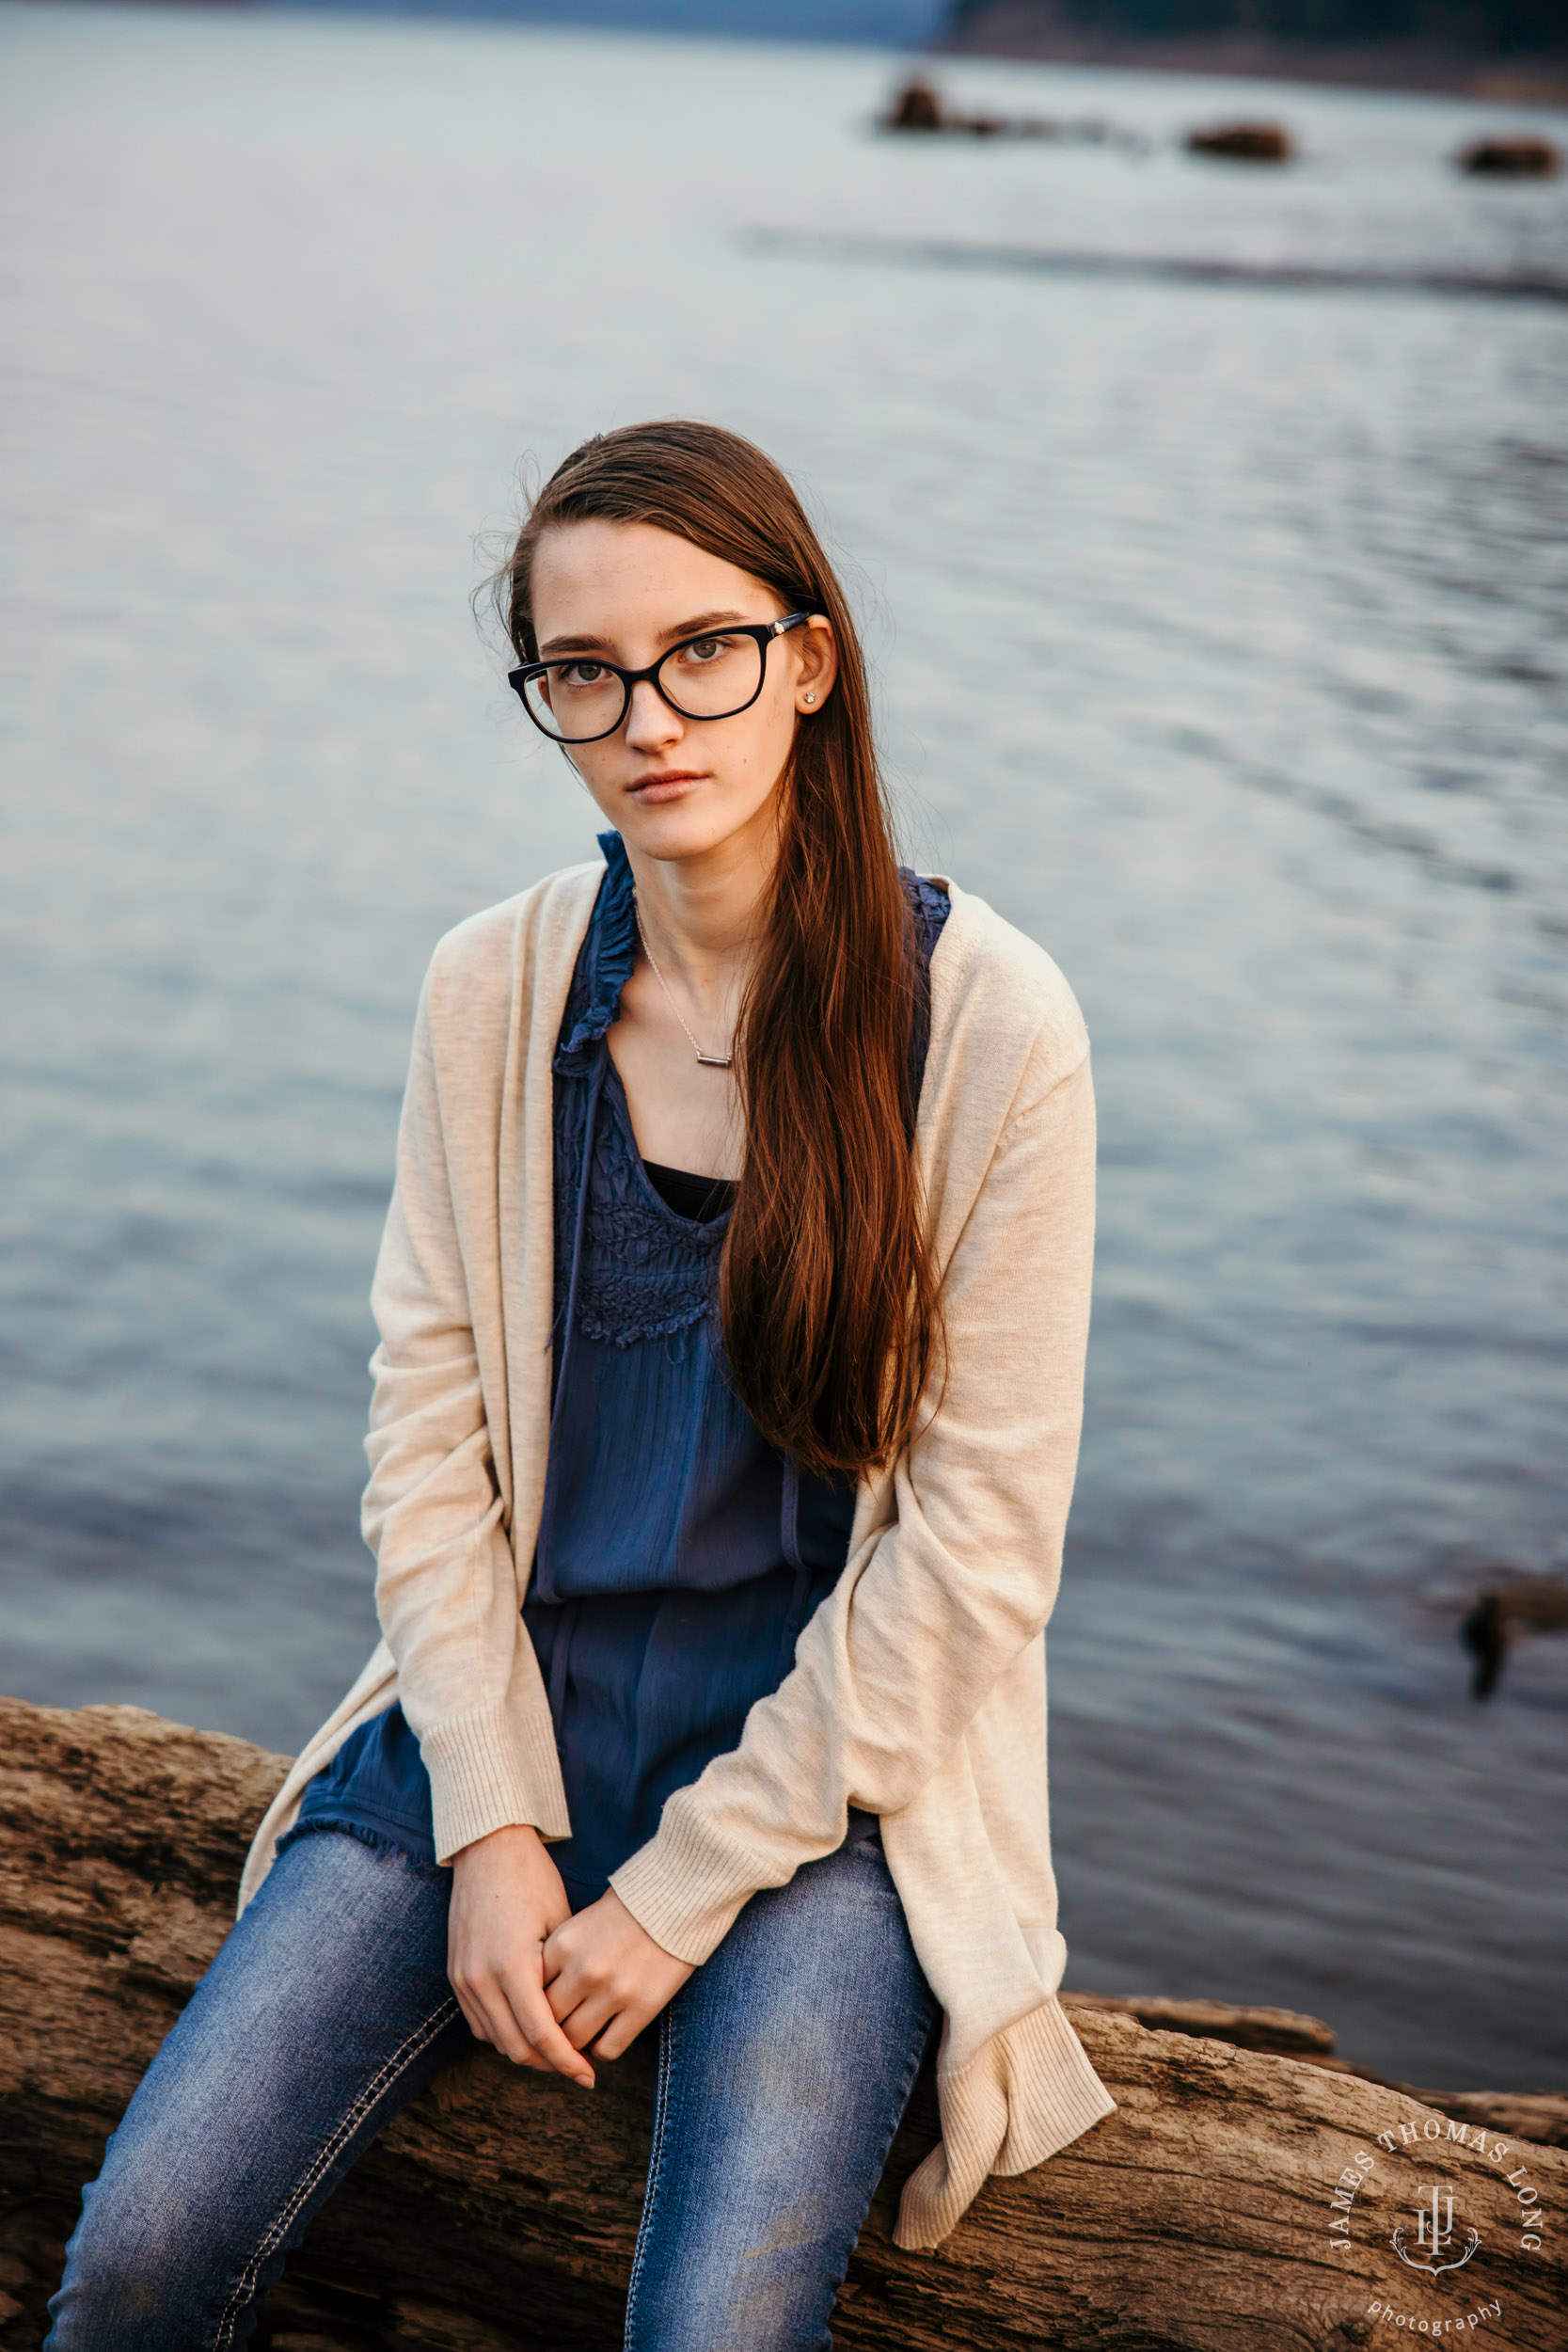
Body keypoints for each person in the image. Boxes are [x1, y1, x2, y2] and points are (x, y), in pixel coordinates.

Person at [47, 419, 1115, 2350]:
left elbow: (977, 1555)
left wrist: (680, 1887)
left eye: (704, 650)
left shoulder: (988, 1025)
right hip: (499, 1728)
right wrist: (492, 1819)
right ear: (538, 688)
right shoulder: (493, 986)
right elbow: (423, 1436)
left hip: (827, 1800)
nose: (649, 715)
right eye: (583, 670)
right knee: (137, 2254)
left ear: (810, 656)